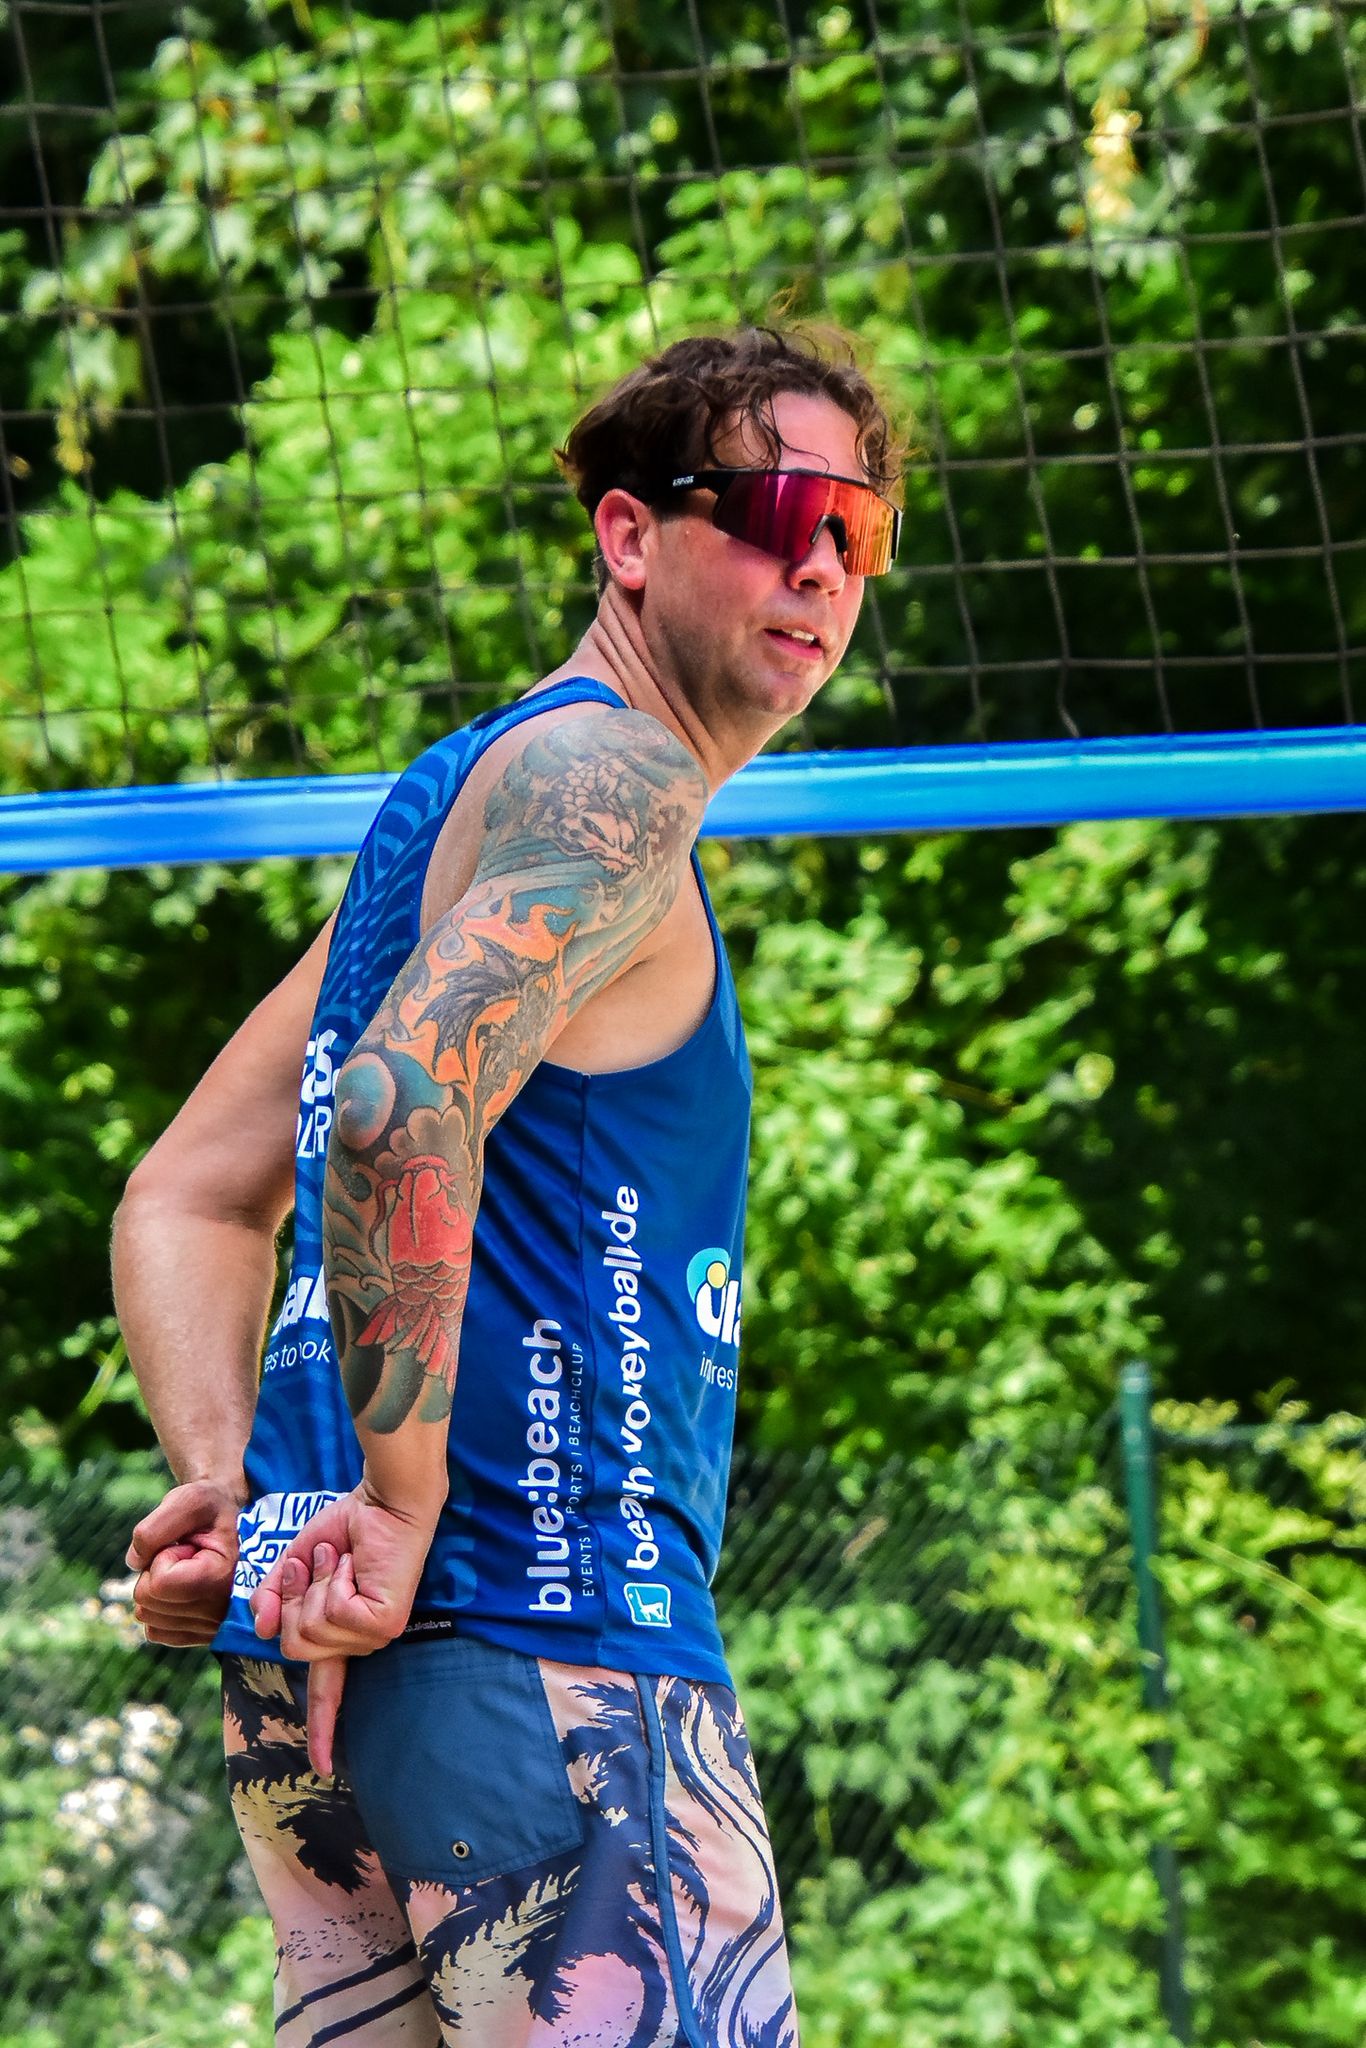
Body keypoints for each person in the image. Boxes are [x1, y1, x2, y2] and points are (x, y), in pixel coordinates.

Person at [114, 322, 903, 2048]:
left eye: (860, 530)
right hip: (548, 1651)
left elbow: (185, 1193)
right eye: (783, 512)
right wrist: (396, 1508)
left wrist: (231, 1496)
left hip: (315, 1669)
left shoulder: (449, 804)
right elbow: (396, 1109)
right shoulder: (610, 780)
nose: (823, 567)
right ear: (628, 535)